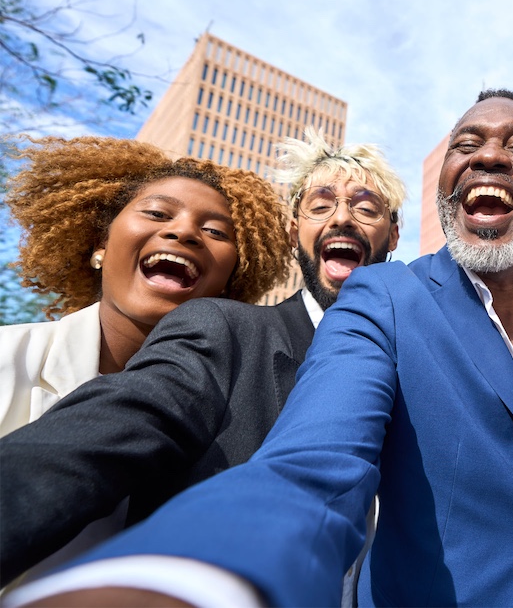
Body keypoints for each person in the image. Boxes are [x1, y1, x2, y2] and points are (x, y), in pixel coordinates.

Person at [10, 89, 513, 608]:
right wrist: (195, 577)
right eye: (465, 145)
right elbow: (313, 471)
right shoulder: (379, 300)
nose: (489, 156)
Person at [0, 130, 404, 599]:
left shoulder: (413, 369)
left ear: (393, 234)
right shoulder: (220, 328)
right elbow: (108, 431)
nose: (342, 218)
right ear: (294, 232)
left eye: (366, 208)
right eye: (319, 205)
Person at [1, 136, 289, 436]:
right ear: (102, 244)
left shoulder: (252, 413)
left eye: (214, 231)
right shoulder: (7, 355)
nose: (184, 231)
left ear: (229, 282)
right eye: (157, 214)